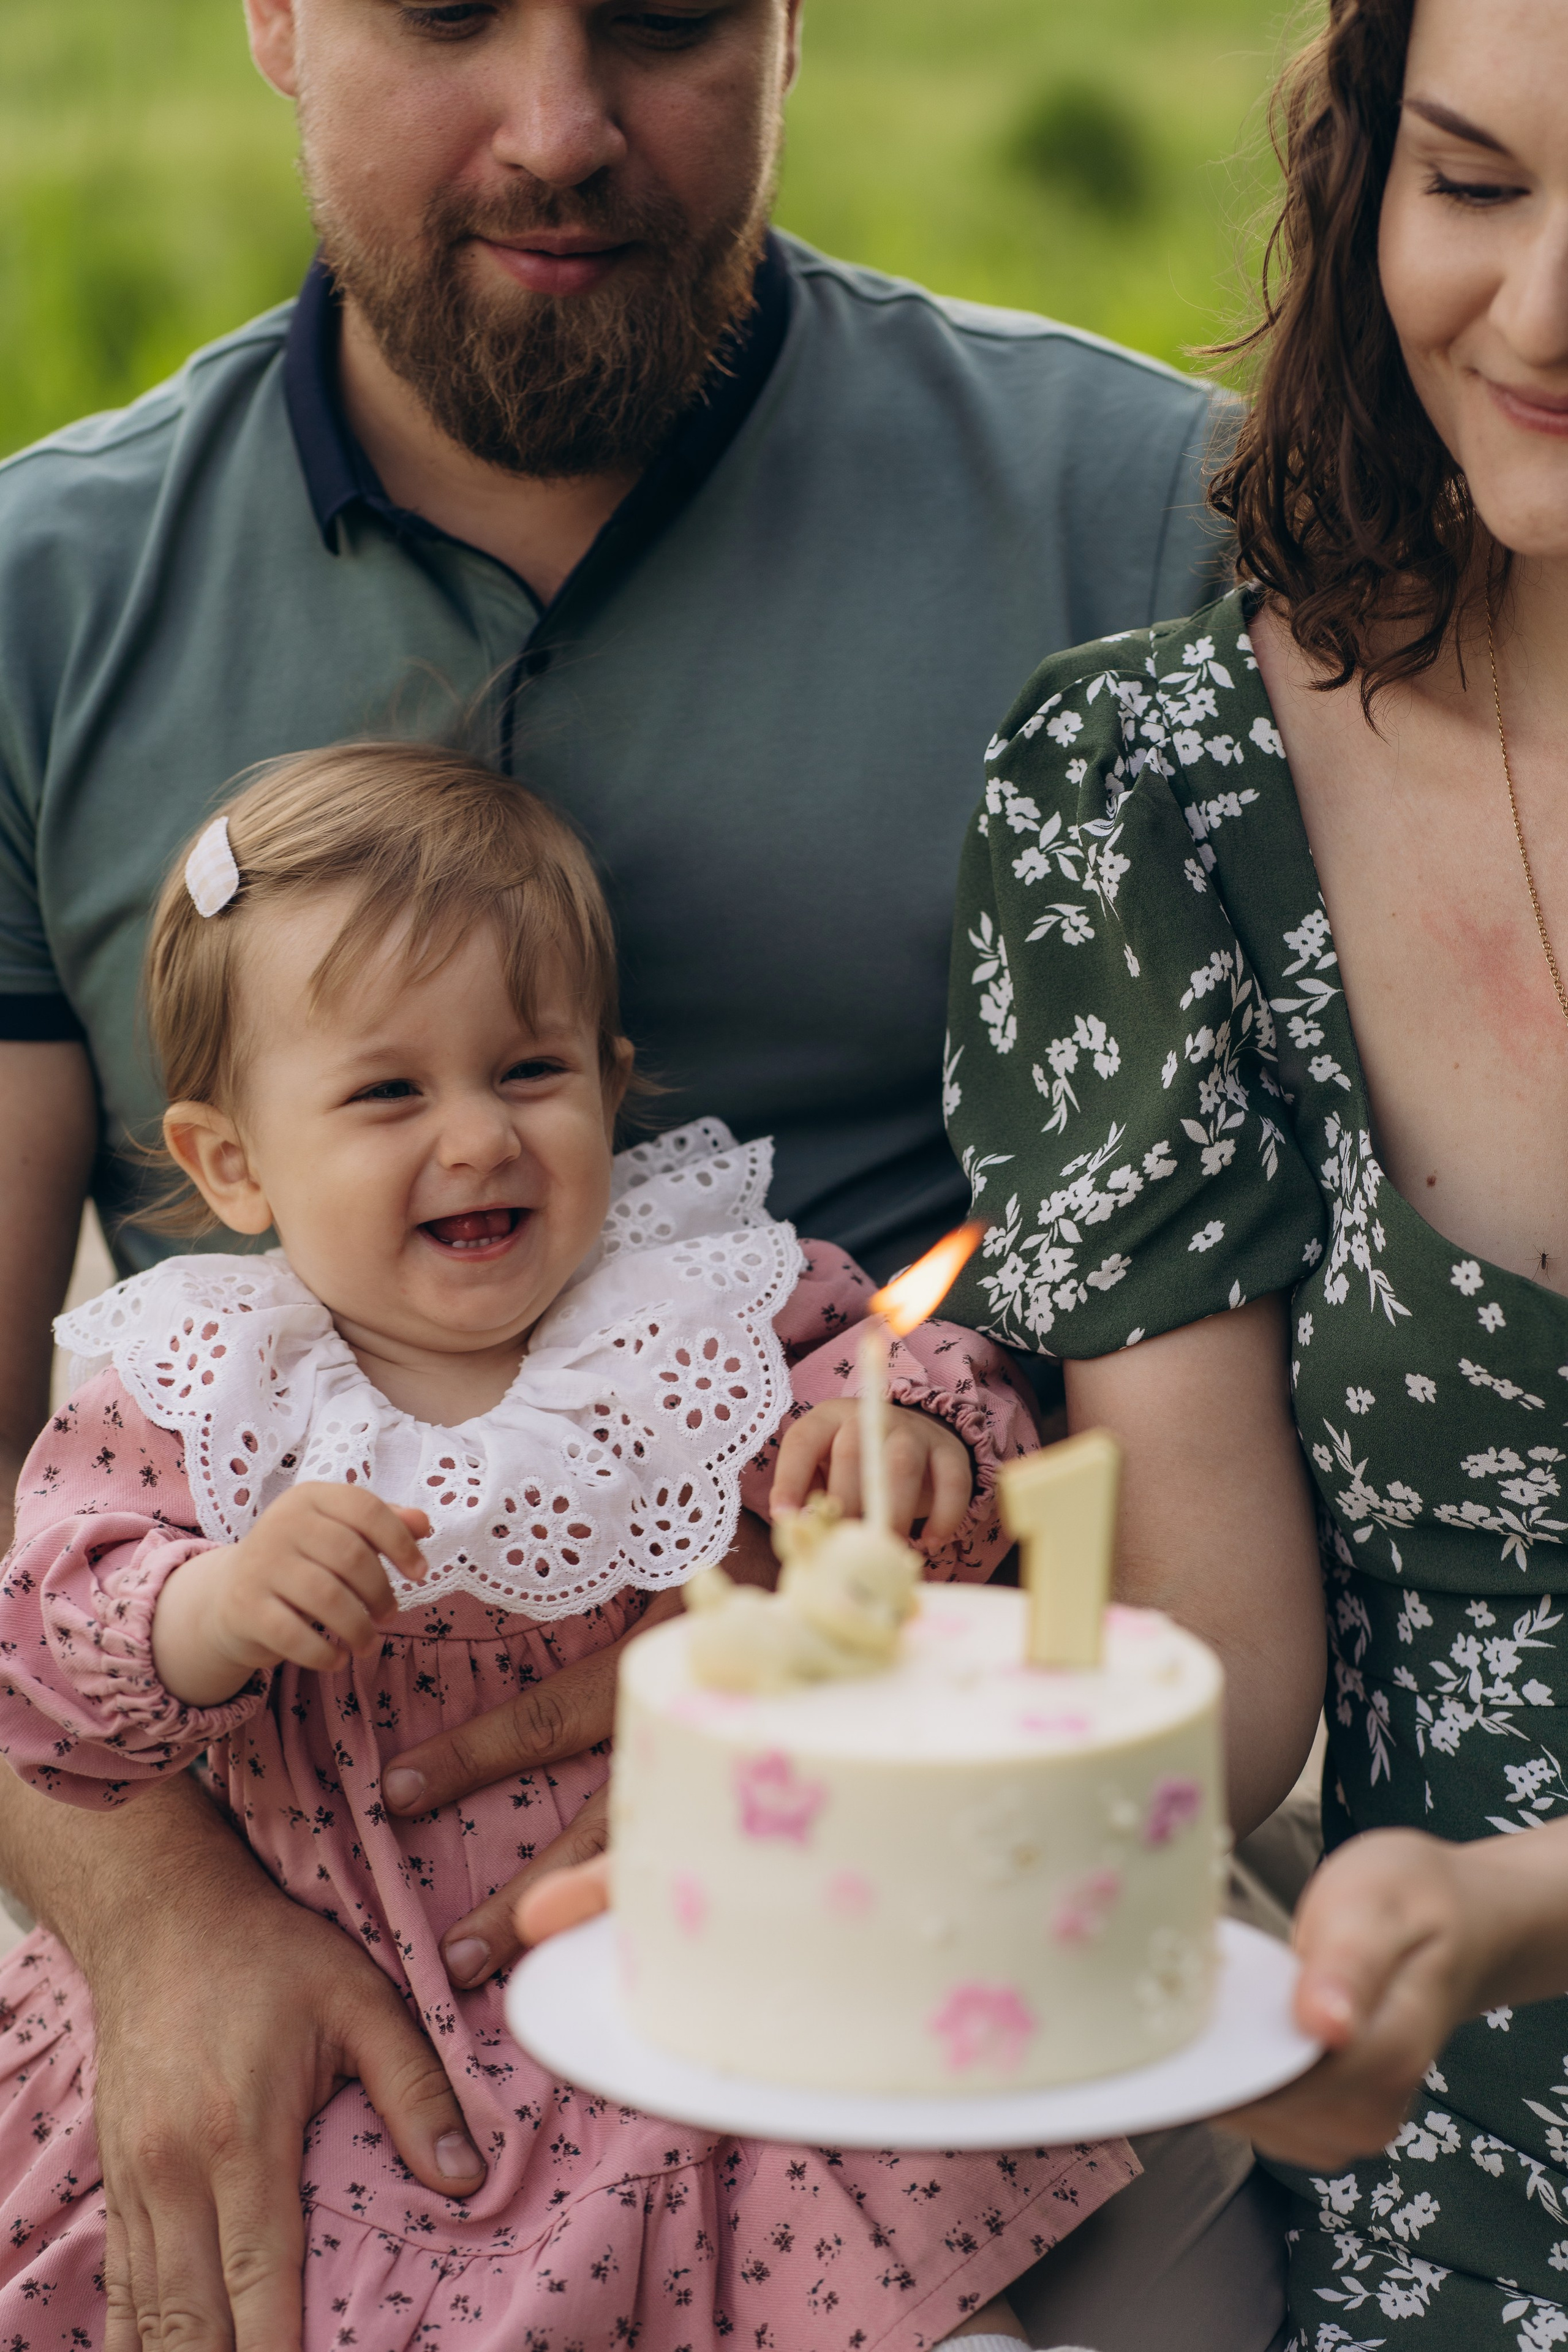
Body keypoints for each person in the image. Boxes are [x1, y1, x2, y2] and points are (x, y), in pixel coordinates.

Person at [0, 0, 1250, 2342]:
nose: (561, 128)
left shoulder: (1140, 517)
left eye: (670, 17)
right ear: (271, 15)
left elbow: (1160, 1423)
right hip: (252, 1860)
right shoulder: (34, 600)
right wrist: (156, 1921)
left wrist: (875, 1663)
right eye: (450, 12)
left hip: (915, 1841)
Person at [0, 737, 1096, 2346]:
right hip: (342, 2000)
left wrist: (906, 1457)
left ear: (608, 1075)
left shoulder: (700, 1310)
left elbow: (920, 1391)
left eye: (528, 1072)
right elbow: (50, 1662)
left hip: (680, 1961)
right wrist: (213, 1608)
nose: (478, 1138)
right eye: (388, 1090)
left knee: (878, 2294)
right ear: (232, 1163)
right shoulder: (198, 1392)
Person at [941, 0, 1568, 2340]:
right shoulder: (1159, 791)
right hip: (1452, 2128)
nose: (1540, 316)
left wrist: (1512, 1909)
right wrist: (852, 1820)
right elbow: (1221, 1673)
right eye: (1477, 186)